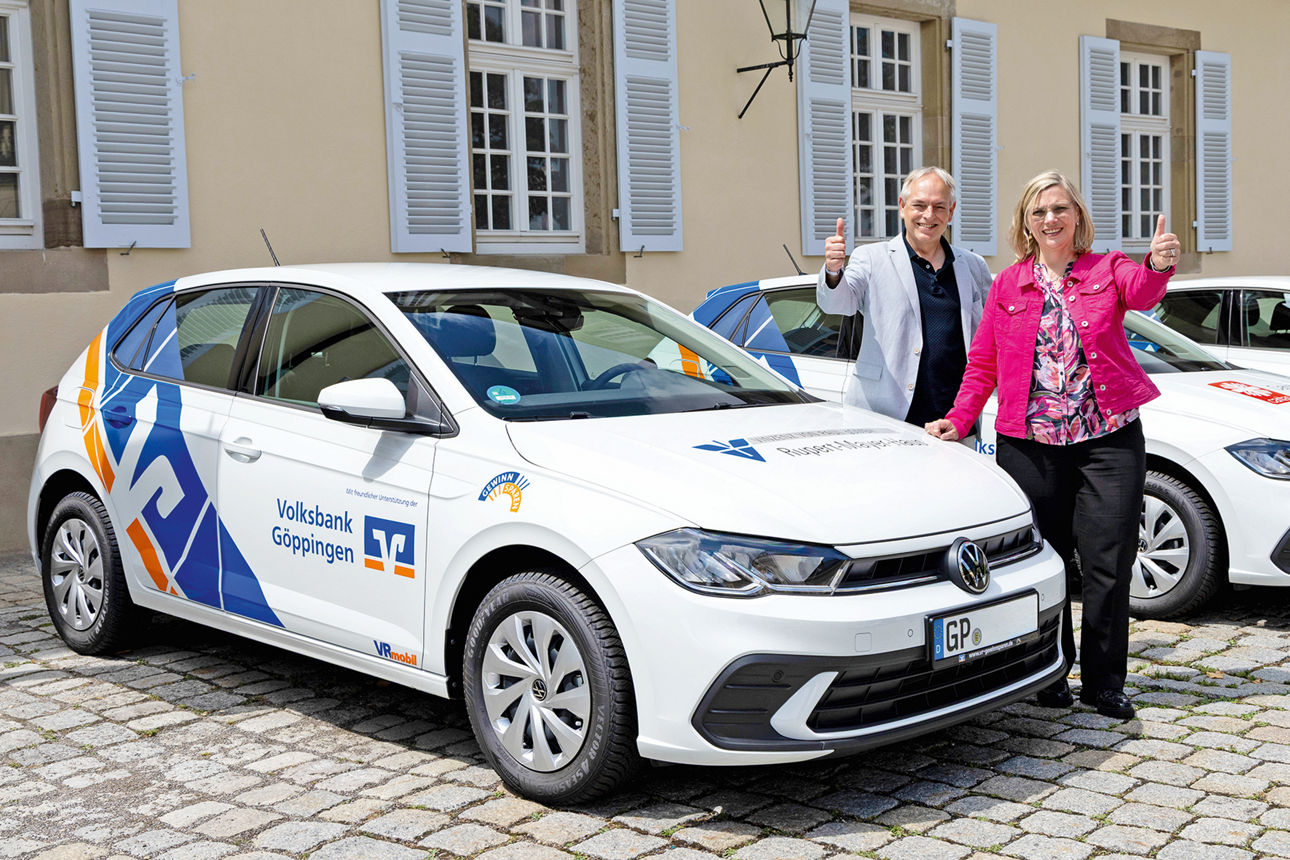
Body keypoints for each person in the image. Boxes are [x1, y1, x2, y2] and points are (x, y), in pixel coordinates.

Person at [926, 170, 1180, 720]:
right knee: (1049, 559)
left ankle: (1106, 682)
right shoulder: (1008, 285)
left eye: (1060, 209)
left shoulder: (1106, 269)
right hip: (1031, 442)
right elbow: (985, 364)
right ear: (1026, 222)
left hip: (1107, 438)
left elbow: (1143, 290)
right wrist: (960, 417)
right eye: (1039, 212)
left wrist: (1158, 263)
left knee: (1109, 560)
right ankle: (1051, 671)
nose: (1051, 220)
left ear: (1077, 217)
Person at [818, 167, 992, 427]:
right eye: (919, 205)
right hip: (883, 418)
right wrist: (833, 270)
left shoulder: (973, 265)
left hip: (952, 423)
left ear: (951, 211)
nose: (929, 215)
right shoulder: (871, 258)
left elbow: (991, 336)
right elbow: (837, 303)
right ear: (902, 206)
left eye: (939, 207)